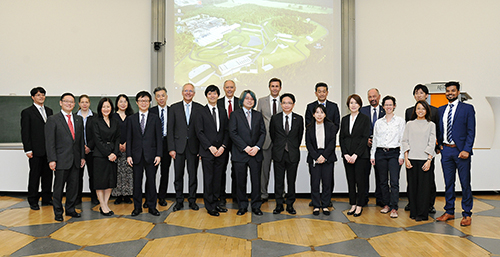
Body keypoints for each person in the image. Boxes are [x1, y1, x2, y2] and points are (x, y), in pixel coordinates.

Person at [436, 81, 476, 227]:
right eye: (447, 91)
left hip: (461, 152)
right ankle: (449, 211)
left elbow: (471, 131)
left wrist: (466, 149)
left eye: (453, 91)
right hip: (446, 151)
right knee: (448, 183)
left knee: (465, 183)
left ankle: (466, 214)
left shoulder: (467, 109)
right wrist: (439, 145)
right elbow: (439, 130)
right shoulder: (441, 110)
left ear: (458, 92)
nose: (450, 93)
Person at [45, 93, 85, 221]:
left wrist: (82, 157)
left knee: (73, 187)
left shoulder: (78, 119)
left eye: (72, 102)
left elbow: (80, 141)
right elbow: (50, 141)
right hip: (61, 160)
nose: (69, 104)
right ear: (60, 103)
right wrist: (52, 159)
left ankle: (70, 209)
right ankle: (58, 212)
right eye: (66, 101)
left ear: (74, 104)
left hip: (75, 159)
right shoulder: (53, 119)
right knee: (58, 188)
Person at [229, 90, 266, 216]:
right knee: (240, 181)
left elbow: (263, 133)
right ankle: (242, 206)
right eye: (247, 98)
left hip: (256, 154)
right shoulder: (235, 114)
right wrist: (245, 148)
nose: (249, 101)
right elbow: (232, 133)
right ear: (242, 100)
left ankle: (256, 206)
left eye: (252, 99)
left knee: (256, 182)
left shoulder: (258, 115)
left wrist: (256, 147)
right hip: (240, 154)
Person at [404, 84, 439, 213]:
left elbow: (437, 131)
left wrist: (435, 149)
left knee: (428, 180)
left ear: (426, 95)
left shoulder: (435, 111)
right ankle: (412, 203)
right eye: (416, 93)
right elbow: (407, 135)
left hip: (427, 154)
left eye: (421, 93)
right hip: (413, 153)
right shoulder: (409, 112)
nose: (419, 95)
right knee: (412, 181)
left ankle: (429, 204)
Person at [127, 91, 163, 216]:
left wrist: (159, 155)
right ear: (137, 102)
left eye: (146, 101)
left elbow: (159, 138)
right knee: (137, 183)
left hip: (151, 156)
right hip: (136, 156)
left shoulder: (155, 118)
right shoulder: (131, 119)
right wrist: (129, 155)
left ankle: (152, 206)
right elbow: (129, 139)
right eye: (141, 101)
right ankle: (137, 207)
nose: (144, 103)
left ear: (149, 102)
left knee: (151, 182)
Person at [195, 85, 230, 216]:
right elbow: (199, 132)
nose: (212, 96)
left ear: (218, 95)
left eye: (214, 93)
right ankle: (210, 206)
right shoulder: (200, 111)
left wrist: (222, 147)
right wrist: (210, 147)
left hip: (221, 152)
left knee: (218, 179)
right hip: (207, 151)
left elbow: (226, 131)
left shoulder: (222, 111)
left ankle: (216, 203)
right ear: (206, 96)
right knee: (209, 179)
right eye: (209, 94)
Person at [304, 82, 340, 207]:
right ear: (316, 93)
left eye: (324, 91)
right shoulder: (310, 107)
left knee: (328, 180)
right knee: (314, 181)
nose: (322, 93)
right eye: (319, 91)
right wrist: (315, 155)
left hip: (328, 151)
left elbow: (336, 126)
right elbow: (308, 129)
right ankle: (315, 201)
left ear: (327, 92)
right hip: (314, 150)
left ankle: (326, 200)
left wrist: (326, 151)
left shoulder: (334, 107)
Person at [168, 83, 202, 211]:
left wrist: (200, 150)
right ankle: (179, 201)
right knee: (178, 176)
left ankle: (192, 200)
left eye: (191, 91)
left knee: (193, 176)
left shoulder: (199, 108)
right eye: (186, 91)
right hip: (178, 148)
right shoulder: (174, 108)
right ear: (182, 92)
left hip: (194, 148)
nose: (188, 93)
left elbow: (201, 131)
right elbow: (170, 129)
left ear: (194, 93)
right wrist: (171, 148)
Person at [371, 95, 405, 218]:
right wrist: (372, 155)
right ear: (383, 106)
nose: (388, 107)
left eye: (390, 104)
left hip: (394, 153)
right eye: (386, 105)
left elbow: (403, 139)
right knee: (383, 181)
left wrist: (401, 155)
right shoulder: (379, 122)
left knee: (394, 182)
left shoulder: (400, 121)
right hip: (380, 153)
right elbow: (375, 139)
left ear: (394, 106)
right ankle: (386, 205)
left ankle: (394, 207)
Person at [269, 93, 303, 215]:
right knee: (279, 181)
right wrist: (280, 147)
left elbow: (299, 136)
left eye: (289, 103)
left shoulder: (299, 119)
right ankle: (279, 205)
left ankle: (290, 205)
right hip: (278, 153)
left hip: (293, 154)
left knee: (291, 181)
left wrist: (291, 147)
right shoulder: (275, 118)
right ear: (280, 104)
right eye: (284, 102)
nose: (286, 105)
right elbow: (273, 135)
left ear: (293, 104)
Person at [21, 87, 54, 210]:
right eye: (38, 95)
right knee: (34, 176)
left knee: (48, 176)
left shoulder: (49, 111)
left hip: (48, 150)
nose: (41, 97)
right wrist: (28, 149)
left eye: (43, 94)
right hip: (35, 151)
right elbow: (25, 132)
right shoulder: (27, 112)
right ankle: (33, 200)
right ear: (33, 97)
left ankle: (46, 198)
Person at [340, 94, 370, 217]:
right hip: (347, 156)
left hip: (361, 156)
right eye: (351, 103)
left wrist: (356, 154)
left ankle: (359, 205)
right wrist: (346, 154)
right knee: (350, 181)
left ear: (360, 105)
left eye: (356, 103)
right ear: (348, 105)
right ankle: (353, 203)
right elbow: (342, 138)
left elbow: (364, 138)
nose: (353, 105)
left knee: (360, 181)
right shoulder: (345, 119)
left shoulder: (364, 118)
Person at [90, 97, 120, 216]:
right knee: (100, 182)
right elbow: (97, 140)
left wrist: (114, 153)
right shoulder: (95, 121)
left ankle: (106, 204)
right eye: (104, 107)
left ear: (111, 108)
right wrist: (108, 154)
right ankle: (102, 205)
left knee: (110, 181)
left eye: (108, 106)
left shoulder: (115, 121)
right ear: (100, 108)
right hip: (100, 156)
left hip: (113, 155)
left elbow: (118, 138)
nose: (106, 109)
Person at [306, 104, 337, 215]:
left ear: (325, 114)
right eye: (317, 112)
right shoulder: (309, 127)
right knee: (315, 182)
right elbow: (308, 144)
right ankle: (316, 205)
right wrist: (316, 156)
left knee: (327, 182)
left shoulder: (331, 126)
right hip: (314, 156)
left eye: (322, 112)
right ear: (313, 114)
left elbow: (332, 143)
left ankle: (325, 205)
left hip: (327, 156)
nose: (319, 115)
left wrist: (324, 156)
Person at [257, 77, 282, 203]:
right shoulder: (261, 101)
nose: (274, 88)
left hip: (280, 142)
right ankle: (263, 194)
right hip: (265, 141)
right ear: (269, 87)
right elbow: (257, 121)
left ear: (280, 88)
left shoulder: (285, 101)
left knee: (280, 170)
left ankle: (280, 195)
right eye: (272, 86)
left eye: (277, 86)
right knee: (264, 170)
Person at [360, 88, 385, 207]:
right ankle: (364, 198)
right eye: (370, 97)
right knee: (364, 174)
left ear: (379, 96)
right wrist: (366, 140)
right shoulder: (362, 110)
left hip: (380, 147)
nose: (372, 99)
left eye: (374, 96)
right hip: (365, 147)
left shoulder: (385, 110)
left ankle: (380, 199)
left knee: (380, 174)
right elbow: (359, 129)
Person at [217, 79, 240, 205]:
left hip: (237, 141)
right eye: (227, 87)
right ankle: (221, 197)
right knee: (221, 170)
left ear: (235, 88)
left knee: (237, 170)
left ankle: (236, 196)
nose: (229, 89)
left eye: (231, 87)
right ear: (224, 89)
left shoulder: (240, 102)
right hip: (222, 142)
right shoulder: (218, 103)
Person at [149, 87, 171, 207]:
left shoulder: (172, 110)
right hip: (153, 146)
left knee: (165, 172)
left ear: (166, 96)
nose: (161, 98)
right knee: (151, 173)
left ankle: (162, 197)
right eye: (158, 96)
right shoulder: (151, 111)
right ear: (155, 98)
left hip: (167, 144)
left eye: (163, 95)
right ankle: (149, 198)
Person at [112, 94, 134, 204]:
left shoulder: (132, 116)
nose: (123, 104)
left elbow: (134, 133)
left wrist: (126, 143)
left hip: (129, 148)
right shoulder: (112, 116)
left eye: (125, 101)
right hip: (116, 149)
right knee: (117, 172)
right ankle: (118, 195)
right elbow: (112, 133)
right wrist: (119, 144)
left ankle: (127, 195)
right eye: (121, 101)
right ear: (117, 103)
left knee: (128, 173)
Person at [76, 94, 98, 205]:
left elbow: (97, 135)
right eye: (82, 102)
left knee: (93, 175)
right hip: (77, 151)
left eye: (87, 102)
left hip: (92, 151)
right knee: (77, 176)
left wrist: (89, 146)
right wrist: (81, 147)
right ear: (79, 104)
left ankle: (94, 197)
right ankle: (77, 198)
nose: (84, 104)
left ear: (89, 103)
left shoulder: (95, 116)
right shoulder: (74, 116)